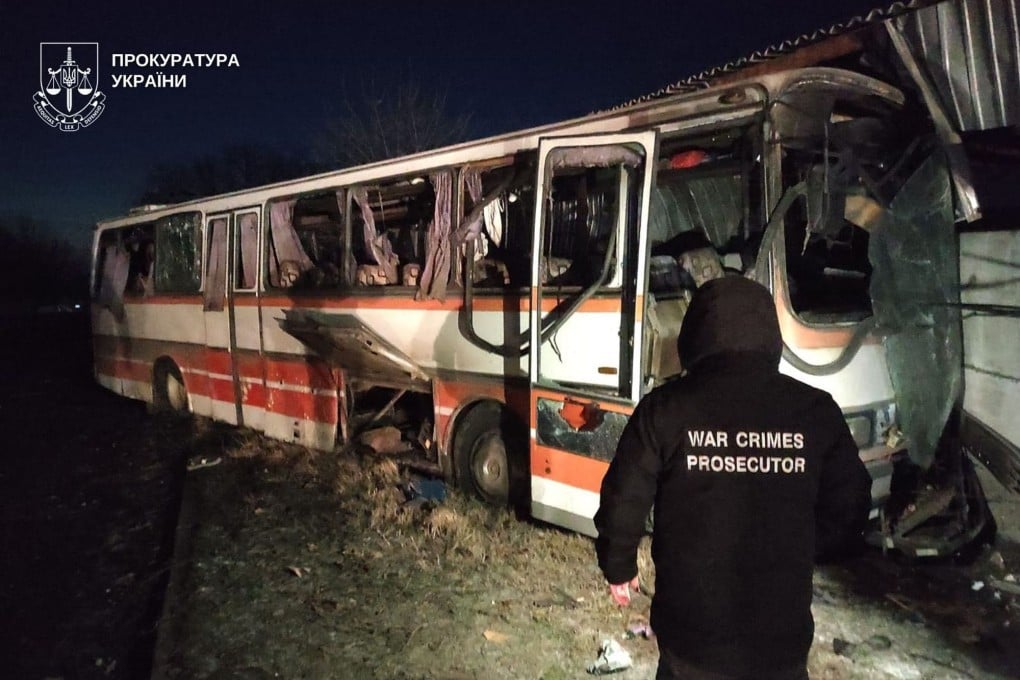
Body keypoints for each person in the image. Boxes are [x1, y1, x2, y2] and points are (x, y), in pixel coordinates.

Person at [594, 276, 872, 680]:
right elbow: (852, 507)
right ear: (770, 335)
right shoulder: (814, 411)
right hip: (779, 643)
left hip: (690, 643)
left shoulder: (665, 410)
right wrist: (800, 549)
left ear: (695, 335)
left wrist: (618, 566)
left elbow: (623, 499)